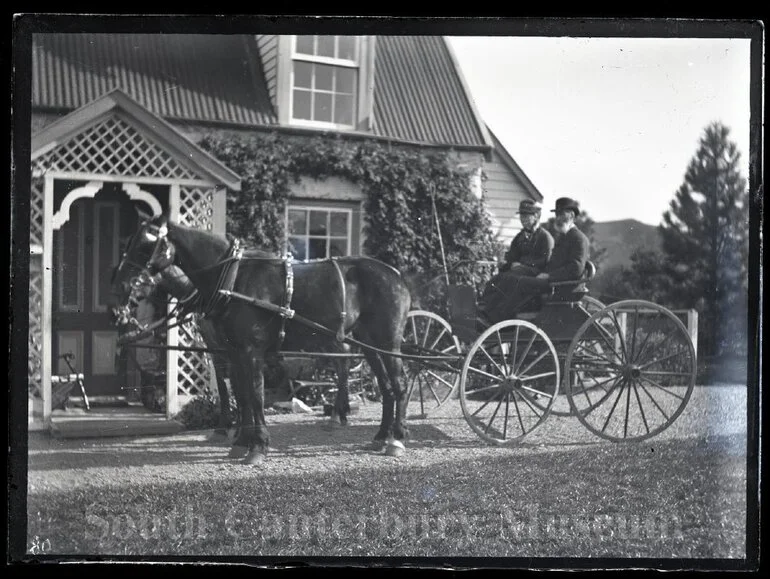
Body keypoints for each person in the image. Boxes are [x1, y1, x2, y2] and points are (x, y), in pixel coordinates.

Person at [478, 197, 590, 325]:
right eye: (556, 214)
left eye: (561, 214)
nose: (557, 217)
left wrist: (549, 275)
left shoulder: (579, 238)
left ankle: (498, 319)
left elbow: (576, 268)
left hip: (561, 286)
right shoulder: (564, 237)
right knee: (510, 278)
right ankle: (488, 311)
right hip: (552, 281)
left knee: (519, 281)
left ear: (571, 215)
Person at [499, 199, 554, 276]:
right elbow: (512, 257)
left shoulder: (545, 237)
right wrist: (507, 263)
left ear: (535, 216)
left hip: (537, 275)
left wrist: (522, 265)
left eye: (526, 216)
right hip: (519, 272)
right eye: (521, 216)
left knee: (511, 277)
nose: (522, 219)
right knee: (497, 278)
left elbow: (546, 261)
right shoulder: (519, 237)